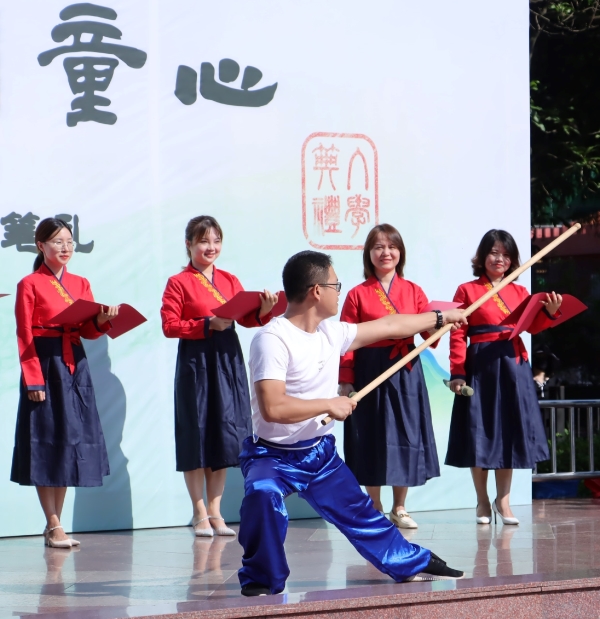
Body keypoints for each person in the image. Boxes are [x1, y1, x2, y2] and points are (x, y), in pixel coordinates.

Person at [237, 250, 467, 596]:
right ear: (317, 291)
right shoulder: (272, 339)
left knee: (361, 514)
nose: (339, 292)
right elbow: (273, 407)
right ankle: (262, 577)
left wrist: (439, 317)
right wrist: (328, 404)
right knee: (262, 494)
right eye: (336, 285)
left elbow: (389, 325)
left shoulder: (332, 333)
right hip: (272, 456)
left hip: (318, 454)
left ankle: (411, 561)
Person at [161, 215, 278, 538]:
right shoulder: (178, 282)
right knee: (196, 432)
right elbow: (169, 325)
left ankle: (215, 511)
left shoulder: (229, 280)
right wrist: (205, 324)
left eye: (216, 241)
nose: (211, 247)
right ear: (189, 244)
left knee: (224, 433)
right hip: (196, 362)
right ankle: (199, 512)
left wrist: (264, 309)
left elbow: (248, 319)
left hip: (227, 358)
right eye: (203, 241)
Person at [11, 217, 118, 548]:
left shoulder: (81, 283)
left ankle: (56, 524)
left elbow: (87, 331)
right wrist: (33, 380)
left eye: (69, 241)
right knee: (46, 441)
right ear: (41, 245)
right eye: (58, 241)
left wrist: (102, 320)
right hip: (44, 364)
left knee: (69, 441)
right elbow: (24, 335)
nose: (65, 247)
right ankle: (53, 523)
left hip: (74, 364)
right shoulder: (29, 284)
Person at [445, 229, 562, 525]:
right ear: (483, 256)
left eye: (506, 255)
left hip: (513, 365)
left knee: (507, 432)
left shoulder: (520, 292)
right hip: (480, 365)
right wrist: (458, 373)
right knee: (479, 432)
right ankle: (482, 501)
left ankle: (504, 502)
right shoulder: (466, 290)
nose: (500, 259)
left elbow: (532, 326)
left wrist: (549, 313)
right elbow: (457, 335)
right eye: (494, 253)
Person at [339, 224, 439, 529]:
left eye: (392, 246)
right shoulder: (357, 294)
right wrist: (346, 378)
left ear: (400, 252)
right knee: (371, 432)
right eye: (379, 247)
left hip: (405, 368)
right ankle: (374, 503)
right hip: (369, 368)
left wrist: (441, 323)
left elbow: (429, 336)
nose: (386, 252)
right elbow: (346, 341)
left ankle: (400, 506)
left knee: (405, 434)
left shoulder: (414, 291)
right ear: (369, 254)